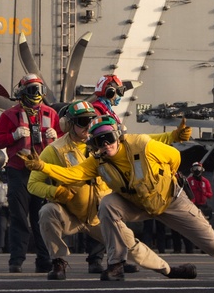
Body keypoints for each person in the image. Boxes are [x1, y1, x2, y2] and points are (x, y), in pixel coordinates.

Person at [23, 117, 214, 282]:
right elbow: (72, 174)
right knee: (109, 204)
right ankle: (116, 265)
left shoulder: (142, 145)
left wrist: (166, 179)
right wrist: (43, 166)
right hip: (135, 204)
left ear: (118, 136)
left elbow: (174, 156)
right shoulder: (95, 161)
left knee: (212, 244)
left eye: (108, 138)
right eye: (99, 141)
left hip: (168, 200)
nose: (105, 144)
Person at [27, 100, 192, 279]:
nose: (89, 126)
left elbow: (144, 142)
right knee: (47, 211)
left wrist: (173, 136)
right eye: (83, 122)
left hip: (100, 217)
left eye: (92, 120)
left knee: (132, 245)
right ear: (69, 125)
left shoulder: (105, 143)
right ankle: (58, 262)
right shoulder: (54, 150)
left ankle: (167, 270)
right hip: (70, 213)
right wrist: (55, 193)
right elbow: (33, 184)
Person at [0, 73, 61, 273]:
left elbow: (65, 140)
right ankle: (17, 260)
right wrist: (13, 136)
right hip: (18, 171)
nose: (37, 94)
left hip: (42, 171)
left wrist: (56, 136)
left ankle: (45, 258)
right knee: (19, 216)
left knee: (42, 217)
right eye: (32, 90)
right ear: (22, 92)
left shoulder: (51, 114)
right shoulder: (9, 115)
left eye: (39, 90)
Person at [176, 161, 213, 253]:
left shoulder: (205, 181)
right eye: (195, 169)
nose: (197, 171)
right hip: (193, 206)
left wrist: (204, 193)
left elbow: (210, 195)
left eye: (198, 169)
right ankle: (189, 248)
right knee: (191, 227)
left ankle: (205, 249)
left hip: (203, 206)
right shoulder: (189, 181)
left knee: (204, 228)